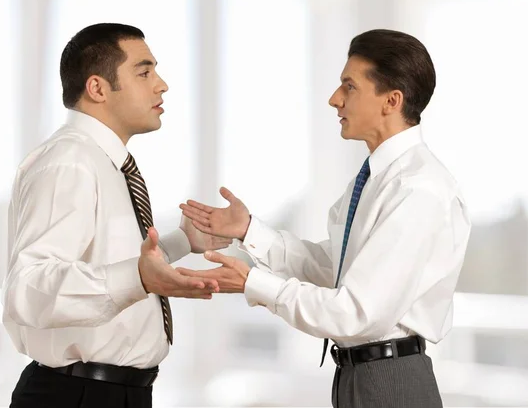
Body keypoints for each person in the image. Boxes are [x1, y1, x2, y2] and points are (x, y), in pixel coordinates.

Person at [178, 29, 471, 408]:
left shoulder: (418, 188)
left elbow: (355, 313)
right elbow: (335, 270)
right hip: (358, 376)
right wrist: (248, 230)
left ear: (391, 100)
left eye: (349, 86)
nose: (335, 100)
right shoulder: (376, 178)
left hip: (390, 383)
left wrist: (254, 283)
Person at [2, 23, 229, 408]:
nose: (162, 85)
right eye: (144, 72)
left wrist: (183, 241)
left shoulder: (105, 162)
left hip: (114, 393)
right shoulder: (69, 161)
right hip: (76, 396)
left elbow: (107, 261)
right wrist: (139, 277)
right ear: (97, 88)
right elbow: (28, 288)